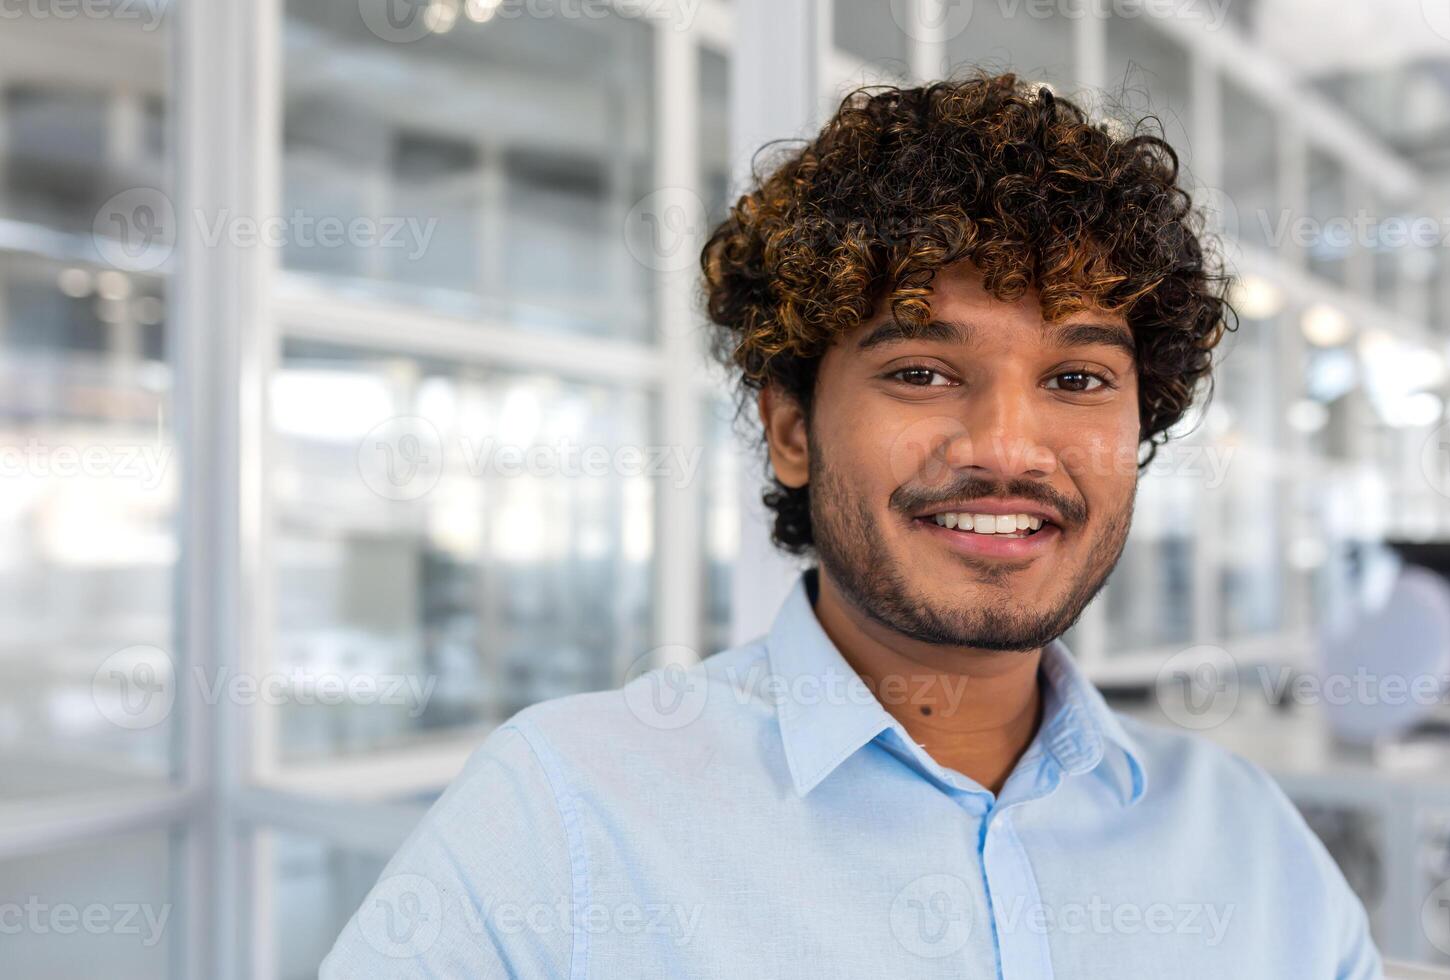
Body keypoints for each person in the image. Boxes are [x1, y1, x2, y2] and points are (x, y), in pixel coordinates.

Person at [321, 71, 1382, 979]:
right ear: (791, 428)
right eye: (921, 371)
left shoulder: (1248, 843)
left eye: (1076, 375)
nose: (1009, 446)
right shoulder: (565, 814)